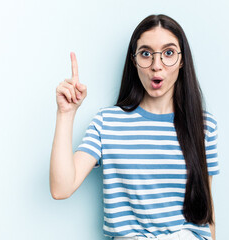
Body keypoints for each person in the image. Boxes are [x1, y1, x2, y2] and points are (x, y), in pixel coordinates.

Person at [50, 14, 219, 240]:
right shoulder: (107, 122)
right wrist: (66, 113)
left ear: (181, 60)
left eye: (168, 53)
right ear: (134, 60)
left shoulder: (204, 125)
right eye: (146, 54)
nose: (156, 66)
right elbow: (61, 188)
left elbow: (207, 214)